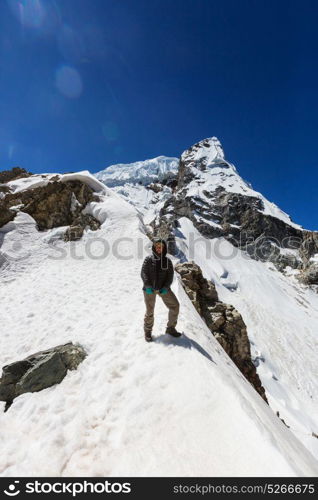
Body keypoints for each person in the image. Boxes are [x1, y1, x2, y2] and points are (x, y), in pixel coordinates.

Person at [141, 238, 181, 342]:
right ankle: (148, 331)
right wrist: (148, 286)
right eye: (157, 246)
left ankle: (170, 328)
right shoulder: (148, 259)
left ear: (164, 248)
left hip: (163, 288)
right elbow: (144, 273)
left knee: (175, 306)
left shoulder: (167, 261)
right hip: (149, 289)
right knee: (150, 310)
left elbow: (170, 276)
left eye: (161, 247)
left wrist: (166, 287)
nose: (159, 248)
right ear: (154, 247)